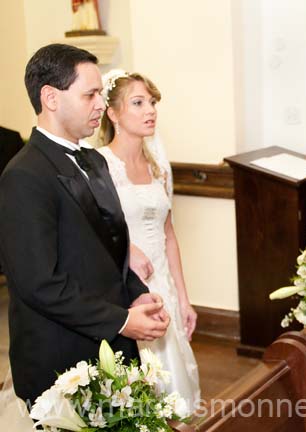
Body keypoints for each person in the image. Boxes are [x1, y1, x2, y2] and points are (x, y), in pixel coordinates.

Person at [0, 43, 169, 409]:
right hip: (63, 359)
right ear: (51, 98)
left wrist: (135, 291)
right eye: (90, 94)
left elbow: (112, 243)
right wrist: (122, 320)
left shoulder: (94, 160)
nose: (100, 105)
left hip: (110, 347)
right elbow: (39, 284)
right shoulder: (23, 176)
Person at [96, 69, 200, 409]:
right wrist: (127, 250)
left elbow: (170, 236)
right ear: (112, 113)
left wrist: (183, 299)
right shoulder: (100, 166)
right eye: (138, 103)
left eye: (152, 102)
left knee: (175, 391)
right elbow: (91, 233)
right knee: (138, 386)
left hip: (163, 282)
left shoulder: (159, 168)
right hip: (125, 286)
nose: (150, 110)